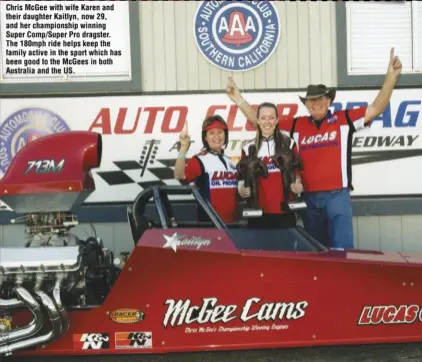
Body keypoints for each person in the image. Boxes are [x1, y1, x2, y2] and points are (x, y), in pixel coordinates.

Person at [227, 48, 402, 249]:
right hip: (308, 199)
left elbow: (376, 108)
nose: (316, 103)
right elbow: (263, 122)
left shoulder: (343, 119)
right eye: (312, 100)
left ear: (329, 101)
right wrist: (238, 99)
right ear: (306, 104)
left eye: (321, 99)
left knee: (341, 252)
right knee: (315, 253)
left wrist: (391, 78)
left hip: (337, 196)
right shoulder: (296, 125)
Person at [238, 102, 304, 229]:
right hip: (258, 213)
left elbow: (297, 171)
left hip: (285, 212)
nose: (267, 122)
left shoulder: (289, 143)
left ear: (277, 120)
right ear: (257, 120)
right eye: (263, 118)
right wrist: (242, 189)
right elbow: (241, 177)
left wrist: (298, 183)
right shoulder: (248, 148)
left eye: (271, 117)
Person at [174, 115, 239, 223]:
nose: (217, 136)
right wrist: (183, 148)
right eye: (211, 133)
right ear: (205, 137)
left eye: (220, 132)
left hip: (232, 225)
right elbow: (179, 175)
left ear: (225, 134)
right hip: (209, 225)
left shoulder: (230, 162)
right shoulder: (199, 160)